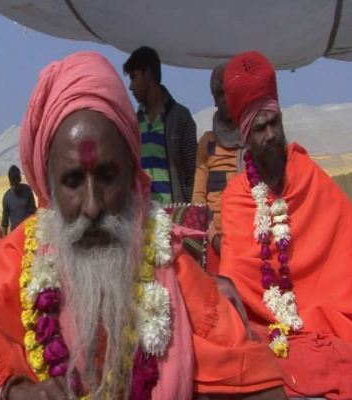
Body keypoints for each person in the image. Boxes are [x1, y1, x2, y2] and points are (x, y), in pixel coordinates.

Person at [0, 51, 286, 400]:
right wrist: (14, 395)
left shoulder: (169, 265)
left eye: (108, 176)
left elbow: (259, 381)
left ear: (131, 175)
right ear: (48, 187)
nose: (94, 205)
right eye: (71, 181)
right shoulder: (11, 269)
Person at [218, 50, 352, 399]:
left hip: (327, 311)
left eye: (274, 124)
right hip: (266, 329)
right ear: (246, 137)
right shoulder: (236, 198)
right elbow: (236, 278)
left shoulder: (307, 174)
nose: (271, 136)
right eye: (260, 129)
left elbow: (345, 237)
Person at [123, 46, 197, 204]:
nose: (130, 87)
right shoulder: (133, 123)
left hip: (174, 217)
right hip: (142, 217)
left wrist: (187, 212)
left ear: (148, 74)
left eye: (133, 77)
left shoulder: (181, 117)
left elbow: (192, 173)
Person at [192, 64, 243, 273]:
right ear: (214, 98)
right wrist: (213, 236)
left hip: (247, 240)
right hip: (215, 242)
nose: (225, 98)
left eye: (230, 92)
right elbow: (198, 198)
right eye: (220, 93)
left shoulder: (252, 140)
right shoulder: (207, 143)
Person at [1, 165, 36, 235]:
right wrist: (4, 240)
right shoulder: (6, 198)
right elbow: (4, 223)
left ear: (20, 179)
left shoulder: (27, 190)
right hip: (15, 235)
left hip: (29, 232)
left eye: (16, 184)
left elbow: (34, 212)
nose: (13, 187)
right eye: (11, 184)